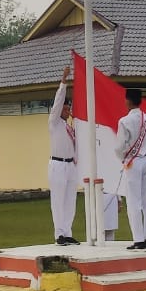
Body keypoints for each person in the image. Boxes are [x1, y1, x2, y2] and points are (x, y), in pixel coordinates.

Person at [115, 87, 146, 251]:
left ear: (128, 101)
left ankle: (138, 239)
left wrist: (122, 157)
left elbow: (119, 147)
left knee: (133, 201)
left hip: (133, 162)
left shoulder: (124, 121)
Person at [48, 65, 80, 245]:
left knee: (70, 200)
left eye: (69, 109)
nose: (67, 111)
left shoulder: (70, 127)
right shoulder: (54, 122)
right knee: (58, 200)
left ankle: (67, 232)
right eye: (65, 109)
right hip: (57, 165)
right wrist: (63, 81)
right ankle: (58, 234)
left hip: (70, 165)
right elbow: (58, 102)